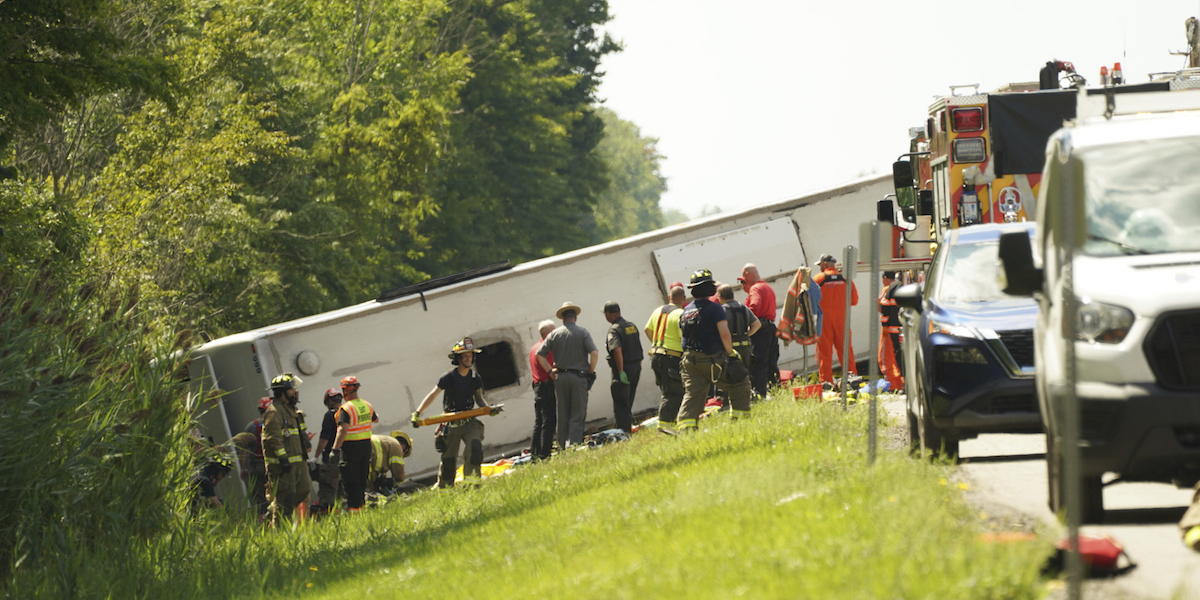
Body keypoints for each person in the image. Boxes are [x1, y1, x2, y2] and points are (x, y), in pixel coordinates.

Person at [412, 338, 500, 488]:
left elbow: (479, 398)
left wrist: (488, 409)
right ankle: (445, 490)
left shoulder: (475, 378)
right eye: (465, 356)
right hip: (451, 424)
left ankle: (472, 486)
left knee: (475, 449)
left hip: (470, 422)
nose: (468, 358)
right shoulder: (448, 378)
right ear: (458, 358)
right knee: (449, 462)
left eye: (470, 355)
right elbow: (432, 395)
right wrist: (418, 412)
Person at [676, 269, 753, 431]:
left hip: (690, 361)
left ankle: (686, 430)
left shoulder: (686, 311)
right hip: (711, 359)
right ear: (709, 288)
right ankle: (741, 422)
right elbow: (724, 333)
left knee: (693, 394)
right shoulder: (715, 308)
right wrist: (730, 353)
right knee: (740, 382)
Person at [536, 303, 599, 448]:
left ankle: (562, 446)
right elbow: (594, 353)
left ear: (563, 319)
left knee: (563, 413)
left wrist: (550, 372)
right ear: (575, 318)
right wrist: (590, 370)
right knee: (577, 413)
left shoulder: (554, 334)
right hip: (578, 377)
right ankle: (574, 446)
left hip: (560, 378)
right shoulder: (582, 332)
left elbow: (540, 355)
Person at [261, 373, 313, 525]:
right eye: (291, 389)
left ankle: (274, 511)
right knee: (285, 497)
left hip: (298, 462)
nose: (295, 392)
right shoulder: (274, 412)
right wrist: (283, 459)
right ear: (282, 392)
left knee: (304, 489)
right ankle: (277, 526)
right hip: (283, 466)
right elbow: (274, 438)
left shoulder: (290, 410)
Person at [331, 375, 377, 513]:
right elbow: (375, 419)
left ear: (345, 390)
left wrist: (335, 450)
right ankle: (362, 508)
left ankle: (355, 512)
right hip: (366, 446)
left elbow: (342, 429)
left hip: (351, 448)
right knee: (362, 479)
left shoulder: (346, 408)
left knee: (351, 481)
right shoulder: (366, 405)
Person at [813, 253, 859, 386]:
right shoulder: (846, 279)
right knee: (846, 351)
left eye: (820, 265)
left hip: (824, 322)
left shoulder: (818, 279)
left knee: (824, 353)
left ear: (824, 264)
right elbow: (854, 301)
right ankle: (852, 380)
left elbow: (810, 300)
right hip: (842, 321)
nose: (820, 268)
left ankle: (826, 382)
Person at [644, 286, 687, 429]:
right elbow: (683, 337)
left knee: (666, 390)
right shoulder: (680, 314)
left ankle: (671, 422)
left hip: (656, 355)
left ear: (669, 297)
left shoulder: (658, 310)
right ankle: (665, 425)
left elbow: (647, 329)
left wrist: (656, 344)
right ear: (684, 299)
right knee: (673, 392)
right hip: (671, 357)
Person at [603, 301, 644, 433]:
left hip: (623, 369)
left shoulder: (614, 329)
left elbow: (617, 350)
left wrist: (621, 371)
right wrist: (636, 367)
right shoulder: (631, 326)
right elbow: (638, 348)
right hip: (635, 367)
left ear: (608, 314)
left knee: (621, 403)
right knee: (628, 401)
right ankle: (624, 429)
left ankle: (623, 433)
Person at [740, 263, 779, 398]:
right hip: (770, 328)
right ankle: (776, 389)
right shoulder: (767, 287)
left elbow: (754, 306)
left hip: (760, 331)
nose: (743, 285)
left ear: (748, 275)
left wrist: (746, 321)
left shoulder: (755, 288)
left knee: (758, 362)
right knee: (771, 362)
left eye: (743, 281)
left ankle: (759, 393)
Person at [717, 283, 761, 379]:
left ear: (720, 297)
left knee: (730, 378)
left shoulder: (722, 311)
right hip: (745, 348)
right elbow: (757, 324)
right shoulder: (743, 308)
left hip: (730, 349)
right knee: (745, 376)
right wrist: (746, 334)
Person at [312, 387, 344, 514]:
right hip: (347, 457)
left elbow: (324, 438)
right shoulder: (347, 413)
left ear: (329, 401)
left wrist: (316, 456)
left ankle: (328, 516)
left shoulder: (330, 415)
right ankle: (345, 513)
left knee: (327, 489)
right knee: (343, 489)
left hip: (332, 458)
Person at [529, 320, 557, 460]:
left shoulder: (534, 348)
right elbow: (552, 368)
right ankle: (544, 454)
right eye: (554, 331)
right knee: (549, 421)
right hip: (546, 386)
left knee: (539, 421)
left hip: (538, 386)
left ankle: (535, 453)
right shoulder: (546, 349)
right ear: (546, 334)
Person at [240, 397, 272, 515]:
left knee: (260, 497)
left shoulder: (252, 426)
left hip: (257, 467)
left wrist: (243, 468)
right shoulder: (278, 424)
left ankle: (263, 518)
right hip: (274, 466)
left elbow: (244, 450)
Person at [878, 271, 905, 392]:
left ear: (885, 278)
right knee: (902, 357)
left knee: (886, 358)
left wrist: (884, 325)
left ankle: (892, 385)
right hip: (906, 329)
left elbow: (883, 307)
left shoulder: (888, 289)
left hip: (891, 330)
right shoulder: (910, 287)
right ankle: (903, 384)